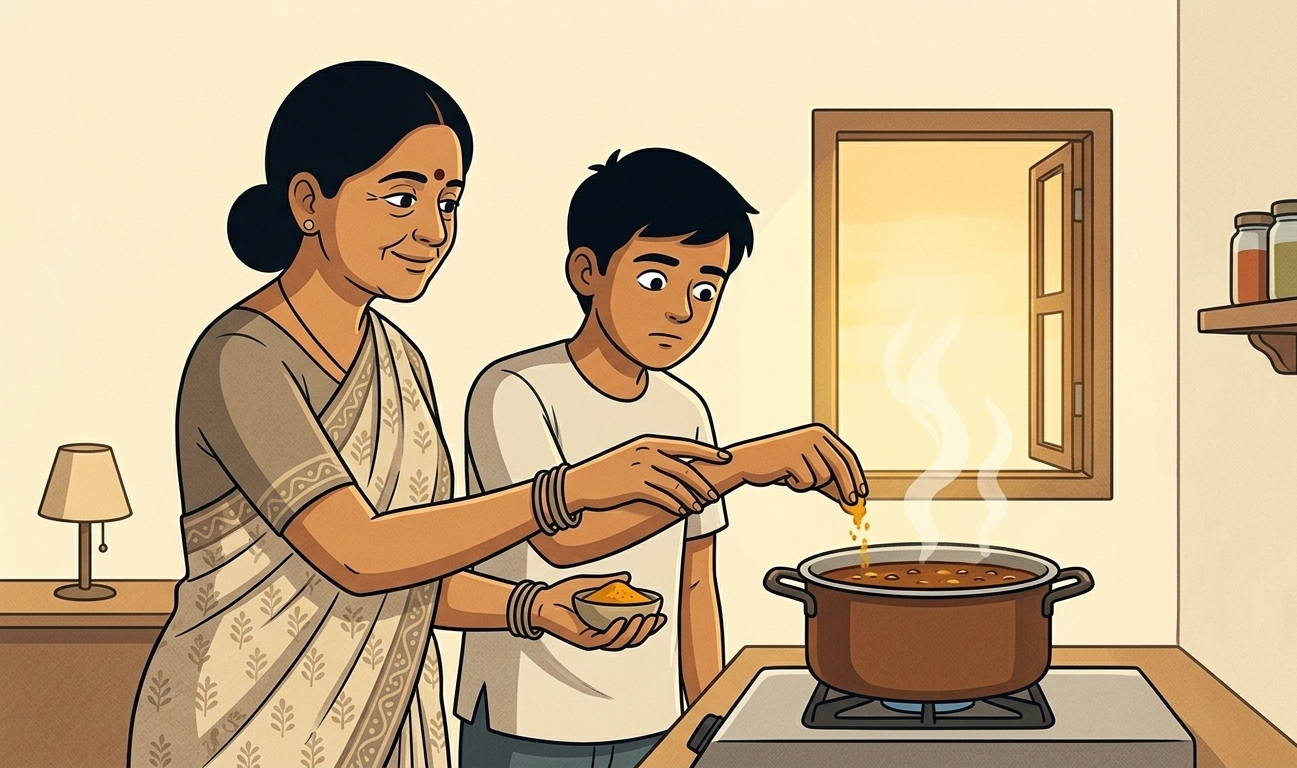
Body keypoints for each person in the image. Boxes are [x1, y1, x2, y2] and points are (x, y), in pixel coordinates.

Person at [126, 63, 727, 768]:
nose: (433, 230)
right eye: (402, 196)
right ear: (307, 201)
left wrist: (533, 608)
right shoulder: (241, 358)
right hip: (246, 726)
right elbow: (358, 552)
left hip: (385, 723)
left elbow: (414, 575)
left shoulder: (399, 360)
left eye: (449, 201)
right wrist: (570, 490)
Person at [458, 148, 867, 767]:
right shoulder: (515, 389)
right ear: (586, 271)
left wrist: (708, 719)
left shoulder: (686, 410)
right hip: (529, 717)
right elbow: (561, 542)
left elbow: (695, 580)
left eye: (707, 288)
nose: (682, 308)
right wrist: (738, 467)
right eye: (657, 278)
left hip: (655, 720)